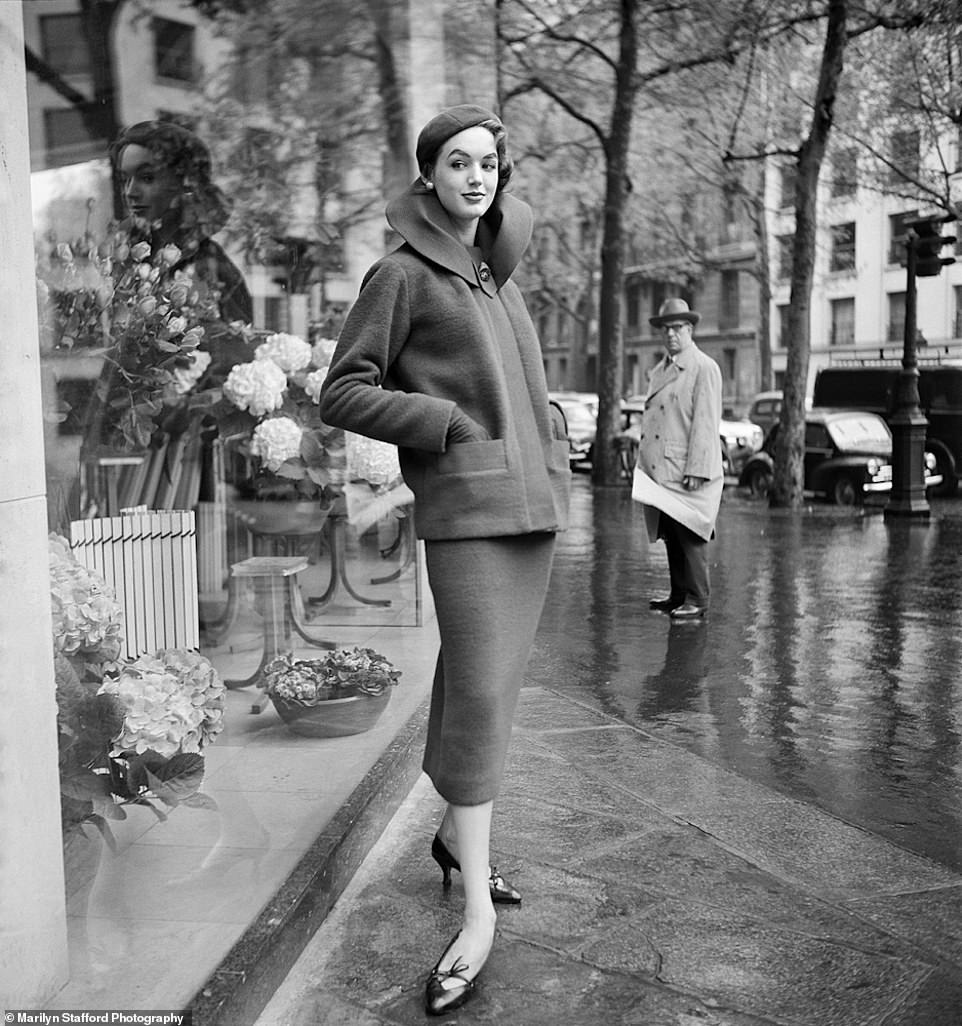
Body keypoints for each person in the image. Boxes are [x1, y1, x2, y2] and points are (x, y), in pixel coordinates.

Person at [320, 104, 571, 1015]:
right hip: (466, 512)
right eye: (458, 163)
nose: (477, 177)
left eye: (489, 164)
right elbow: (342, 389)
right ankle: (475, 917)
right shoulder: (401, 275)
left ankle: (456, 844)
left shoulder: (495, 278)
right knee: (476, 692)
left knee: (485, 687)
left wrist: (550, 441)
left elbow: (525, 390)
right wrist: (444, 424)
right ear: (428, 177)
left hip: (530, 514)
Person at [632, 297, 723, 621]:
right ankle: (678, 594)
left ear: (690, 329)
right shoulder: (661, 370)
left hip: (686, 467)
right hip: (662, 469)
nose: (671, 334)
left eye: (678, 328)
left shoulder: (703, 367)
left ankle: (698, 598)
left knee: (691, 532)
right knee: (671, 531)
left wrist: (698, 468)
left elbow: (706, 422)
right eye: (666, 329)